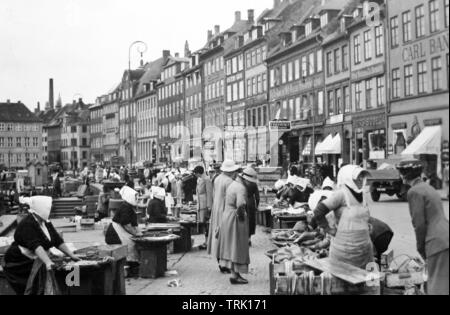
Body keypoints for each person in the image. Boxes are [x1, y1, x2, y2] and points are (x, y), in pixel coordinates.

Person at [3, 196, 80, 295]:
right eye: (48, 207)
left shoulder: (46, 222)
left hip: (37, 259)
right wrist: (48, 262)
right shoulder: (27, 224)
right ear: (41, 208)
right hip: (20, 263)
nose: (49, 210)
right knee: (31, 289)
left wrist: (71, 255)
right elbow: (36, 246)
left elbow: (57, 240)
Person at [397, 159, 449, 295]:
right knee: (444, 282)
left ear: (404, 175)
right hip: (445, 238)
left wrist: (421, 250)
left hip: (436, 242)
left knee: (437, 286)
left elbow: (419, 225)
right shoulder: (428, 188)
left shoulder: (414, 192)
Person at [311, 165, 374, 269]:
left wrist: (367, 224)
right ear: (348, 178)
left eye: (362, 177)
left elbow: (362, 217)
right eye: (358, 177)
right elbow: (318, 211)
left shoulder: (362, 195)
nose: (360, 179)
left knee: (365, 281)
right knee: (344, 280)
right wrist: (328, 229)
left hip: (364, 250)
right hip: (344, 252)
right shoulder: (341, 194)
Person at [218, 169, 251, 285]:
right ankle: (235, 275)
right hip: (235, 218)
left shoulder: (232, 185)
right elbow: (241, 205)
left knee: (232, 247)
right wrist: (242, 219)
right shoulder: (241, 188)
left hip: (227, 216)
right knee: (238, 246)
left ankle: (234, 274)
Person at [207, 160, 240, 274]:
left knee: (217, 236)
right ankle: (225, 264)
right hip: (226, 211)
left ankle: (219, 261)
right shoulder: (229, 181)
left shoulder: (217, 179)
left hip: (217, 210)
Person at [105, 186, 143, 277]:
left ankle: (133, 267)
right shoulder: (125, 207)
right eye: (136, 197)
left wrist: (139, 232)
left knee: (133, 243)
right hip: (114, 234)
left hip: (121, 232)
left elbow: (134, 224)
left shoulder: (130, 207)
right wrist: (136, 234)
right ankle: (130, 269)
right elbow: (127, 225)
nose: (137, 199)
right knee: (131, 244)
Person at [193, 166, 213, 250]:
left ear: (198, 173)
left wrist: (209, 206)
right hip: (200, 204)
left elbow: (209, 193)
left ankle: (208, 242)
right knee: (204, 224)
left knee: (207, 224)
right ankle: (206, 241)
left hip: (205, 205)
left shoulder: (207, 179)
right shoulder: (200, 179)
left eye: (195, 173)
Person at [240, 167, 260, 246]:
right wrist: (257, 206)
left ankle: (243, 238)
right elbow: (257, 197)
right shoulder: (254, 184)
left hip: (243, 201)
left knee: (243, 220)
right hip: (251, 202)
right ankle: (249, 239)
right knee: (251, 221)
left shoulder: (241, 182)